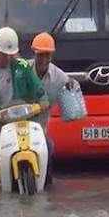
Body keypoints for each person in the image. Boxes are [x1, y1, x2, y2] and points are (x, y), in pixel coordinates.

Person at [0, 27, 50, 191]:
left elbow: (37, 87)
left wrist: (43, 100)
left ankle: (46, 181)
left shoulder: (23, 68)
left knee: (47, 145)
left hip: (23, 119)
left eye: (10, 54)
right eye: (4, 54)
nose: (7, 57)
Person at [28, 32, 80, 185]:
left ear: (52, 56)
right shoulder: (23, 70)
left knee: (48, 147)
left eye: (47, 55)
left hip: (39, 130)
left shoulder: (59, 76)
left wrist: (72, 85)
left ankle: (46, 180)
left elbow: (73, 86)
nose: (44, 59)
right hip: (17, 124)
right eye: (40, 55)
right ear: (34, 54)